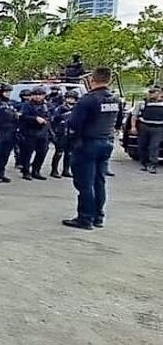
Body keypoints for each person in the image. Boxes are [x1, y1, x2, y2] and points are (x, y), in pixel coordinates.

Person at [63, 67, 120, 230]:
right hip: (106, 142)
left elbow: (74, 123)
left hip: (87, 143)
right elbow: (117, 122)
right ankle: (98, 216)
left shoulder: (88, 99)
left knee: (85, 183)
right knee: (99, 181)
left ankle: (85, 218)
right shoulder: (114, 99)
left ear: (92, 79)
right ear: (108, 80)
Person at [18, 86, 52, 181]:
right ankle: (26, 171)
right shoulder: (27, 105)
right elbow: (22, 116)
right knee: (27, 153)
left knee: (42, 152)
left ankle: (36, 170)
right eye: (35, 95)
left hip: (42, 132)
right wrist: (35, 118)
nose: (37, 97)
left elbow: (51, 116)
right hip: (29, 132)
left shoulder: (47, 105)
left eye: (40, 95)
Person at [0, 83, 19, 184]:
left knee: (5, 154)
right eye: (6, 92)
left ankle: (1, 173)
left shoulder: (11, 103)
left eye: (9, 92)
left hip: (10, 131)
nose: (8, 94)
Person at [50, 90, 80, 178]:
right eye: (68, 98)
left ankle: (66, 170)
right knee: (59, 152)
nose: (70, 100)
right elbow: (55, 119)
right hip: (62, 133)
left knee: (69, 153)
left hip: (73, 133)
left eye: (72, 99)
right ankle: (54, 170)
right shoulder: (60, 108)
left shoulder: (77, 108)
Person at [136, 86, 163, 174]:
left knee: (154, 146)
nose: (152, 94)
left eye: (155, 92)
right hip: (144, 126)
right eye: (151, 92)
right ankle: (144, 163)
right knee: (142, 146)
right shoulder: (144, 103)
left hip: (158, 128)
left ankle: (152, 165)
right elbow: (136, 115)